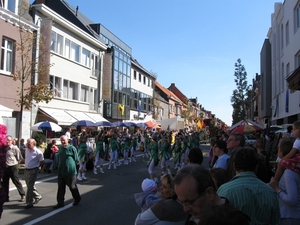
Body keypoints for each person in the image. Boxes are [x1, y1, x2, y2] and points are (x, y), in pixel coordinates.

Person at [217, 147, 280, 225]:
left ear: (234, 166)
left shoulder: (225, 191)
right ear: (256, 167)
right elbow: (276, 221)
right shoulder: (270, 192)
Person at [269, 139, 300, 224]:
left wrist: (276, 189)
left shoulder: (289, 173)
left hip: (291, 217)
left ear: (281, 152)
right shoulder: (292, 169)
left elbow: (292, 200)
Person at [53, 135, 81, 209]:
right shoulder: (60, 148)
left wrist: (75, 170)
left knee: (72, 186)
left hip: (70, 172)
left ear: (67, 140)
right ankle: (60, 202)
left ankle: (77, 199)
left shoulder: (72, 148)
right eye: (61, 140)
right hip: (61, 172)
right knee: (61, 188)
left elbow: (76, 160)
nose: (62, 141)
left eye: (64, 140)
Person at [3, 135, 25, 203]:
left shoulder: (15, 148)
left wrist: (15, 165)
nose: (7, 142)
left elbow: (20, 158)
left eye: (9, 140)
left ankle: (22, 194)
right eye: (6, 140)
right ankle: (6, 197)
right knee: (4, 183)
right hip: (5, 167)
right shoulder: (3, 148)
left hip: (13, 166)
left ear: (12, 141)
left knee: (16, 181)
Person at [24, 138, 44, 209]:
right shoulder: (26, 150)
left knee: (30, 186)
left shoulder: (38, 152)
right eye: (27, 143)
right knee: (29, 185)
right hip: (26, 169)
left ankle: (30, 202)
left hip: (33, 170)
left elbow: (41, 161)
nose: (27, 145)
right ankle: (38, 196)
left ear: (34, 144)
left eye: (29, 144)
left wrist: (39, 167)